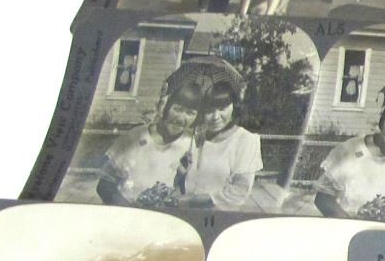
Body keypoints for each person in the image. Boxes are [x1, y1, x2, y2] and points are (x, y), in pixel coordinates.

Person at [97, 58, 262, 210]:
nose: (182, 118)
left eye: (190, 112)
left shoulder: (242, 140)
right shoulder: (191, 139)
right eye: (177, 109)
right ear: (166, 106)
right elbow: (105, 185)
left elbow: (239, 191)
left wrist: (189, 196)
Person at [314, 78, 385, 219]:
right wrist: (352, 223)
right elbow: (322, 199)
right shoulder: (351, 149)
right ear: (382, 119)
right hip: (346, 223)